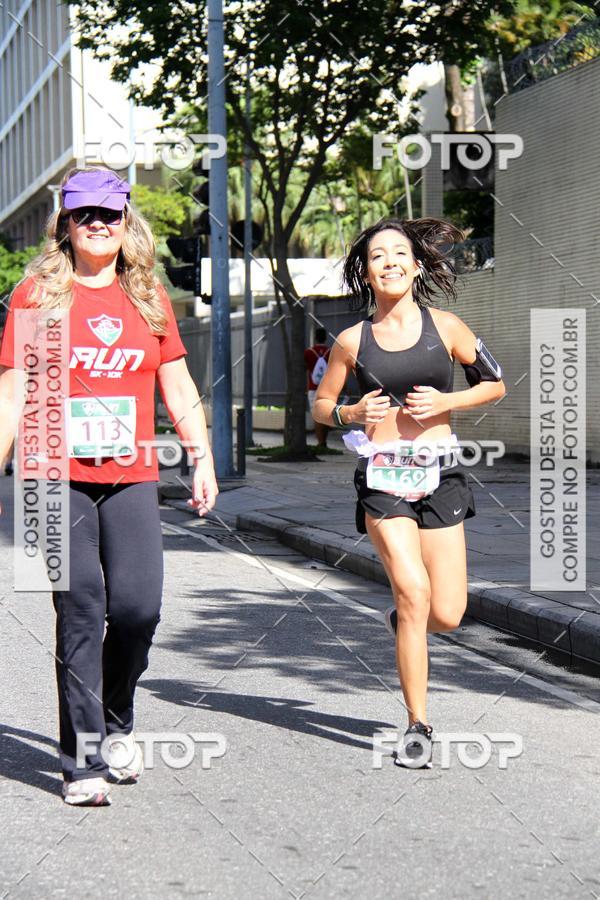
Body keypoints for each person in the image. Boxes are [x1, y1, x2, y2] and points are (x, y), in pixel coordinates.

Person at [0, 166, 218, 805]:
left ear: (127, 222)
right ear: (64, 225)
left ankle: (117, 715)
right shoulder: (39, 296)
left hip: (131, 474)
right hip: (49, 475)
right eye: (84, 214)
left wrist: (200, 458)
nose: (99, 223)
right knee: (81, 607)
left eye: (110, 214)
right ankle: (84, 761)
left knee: (137, 609)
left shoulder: (146, 296)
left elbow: (177, 384)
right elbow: (14, 394)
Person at [312, 218, 505, 768]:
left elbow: (495, 381)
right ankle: (418, 723)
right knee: (413, 591)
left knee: (447, 611)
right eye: (378, 256)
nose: (390, 261)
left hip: (439, 474)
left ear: (417, 266)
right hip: (382, 477)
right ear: (367, 273)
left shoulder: (446, 327)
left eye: (400, 253)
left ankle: (408, 625)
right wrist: (351, 411)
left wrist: (449, 404)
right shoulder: (352, 341)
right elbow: (322, 407)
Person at [304, 326, 330, 448]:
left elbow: (305, 370)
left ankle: (320, 442)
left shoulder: (309, 352)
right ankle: (324, 441)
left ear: (315, 338)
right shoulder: (331, 352)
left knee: (317, 415)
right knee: (326, 414)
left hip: (313, 388)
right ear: (325, 338)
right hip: (329, 388)